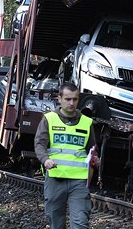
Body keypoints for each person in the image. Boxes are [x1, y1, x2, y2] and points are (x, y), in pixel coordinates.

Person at [34, 82, 98, 229]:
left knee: (80, 223)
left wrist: (96, 159)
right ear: (59, 99)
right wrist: (45, 160)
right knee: (56, 223)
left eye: (75, 99)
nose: (71, 103)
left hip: (79, 181)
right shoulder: (49, 119)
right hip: (56, 178)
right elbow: (40, 144)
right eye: (68, 99)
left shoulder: (87, 122)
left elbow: (92, 149)